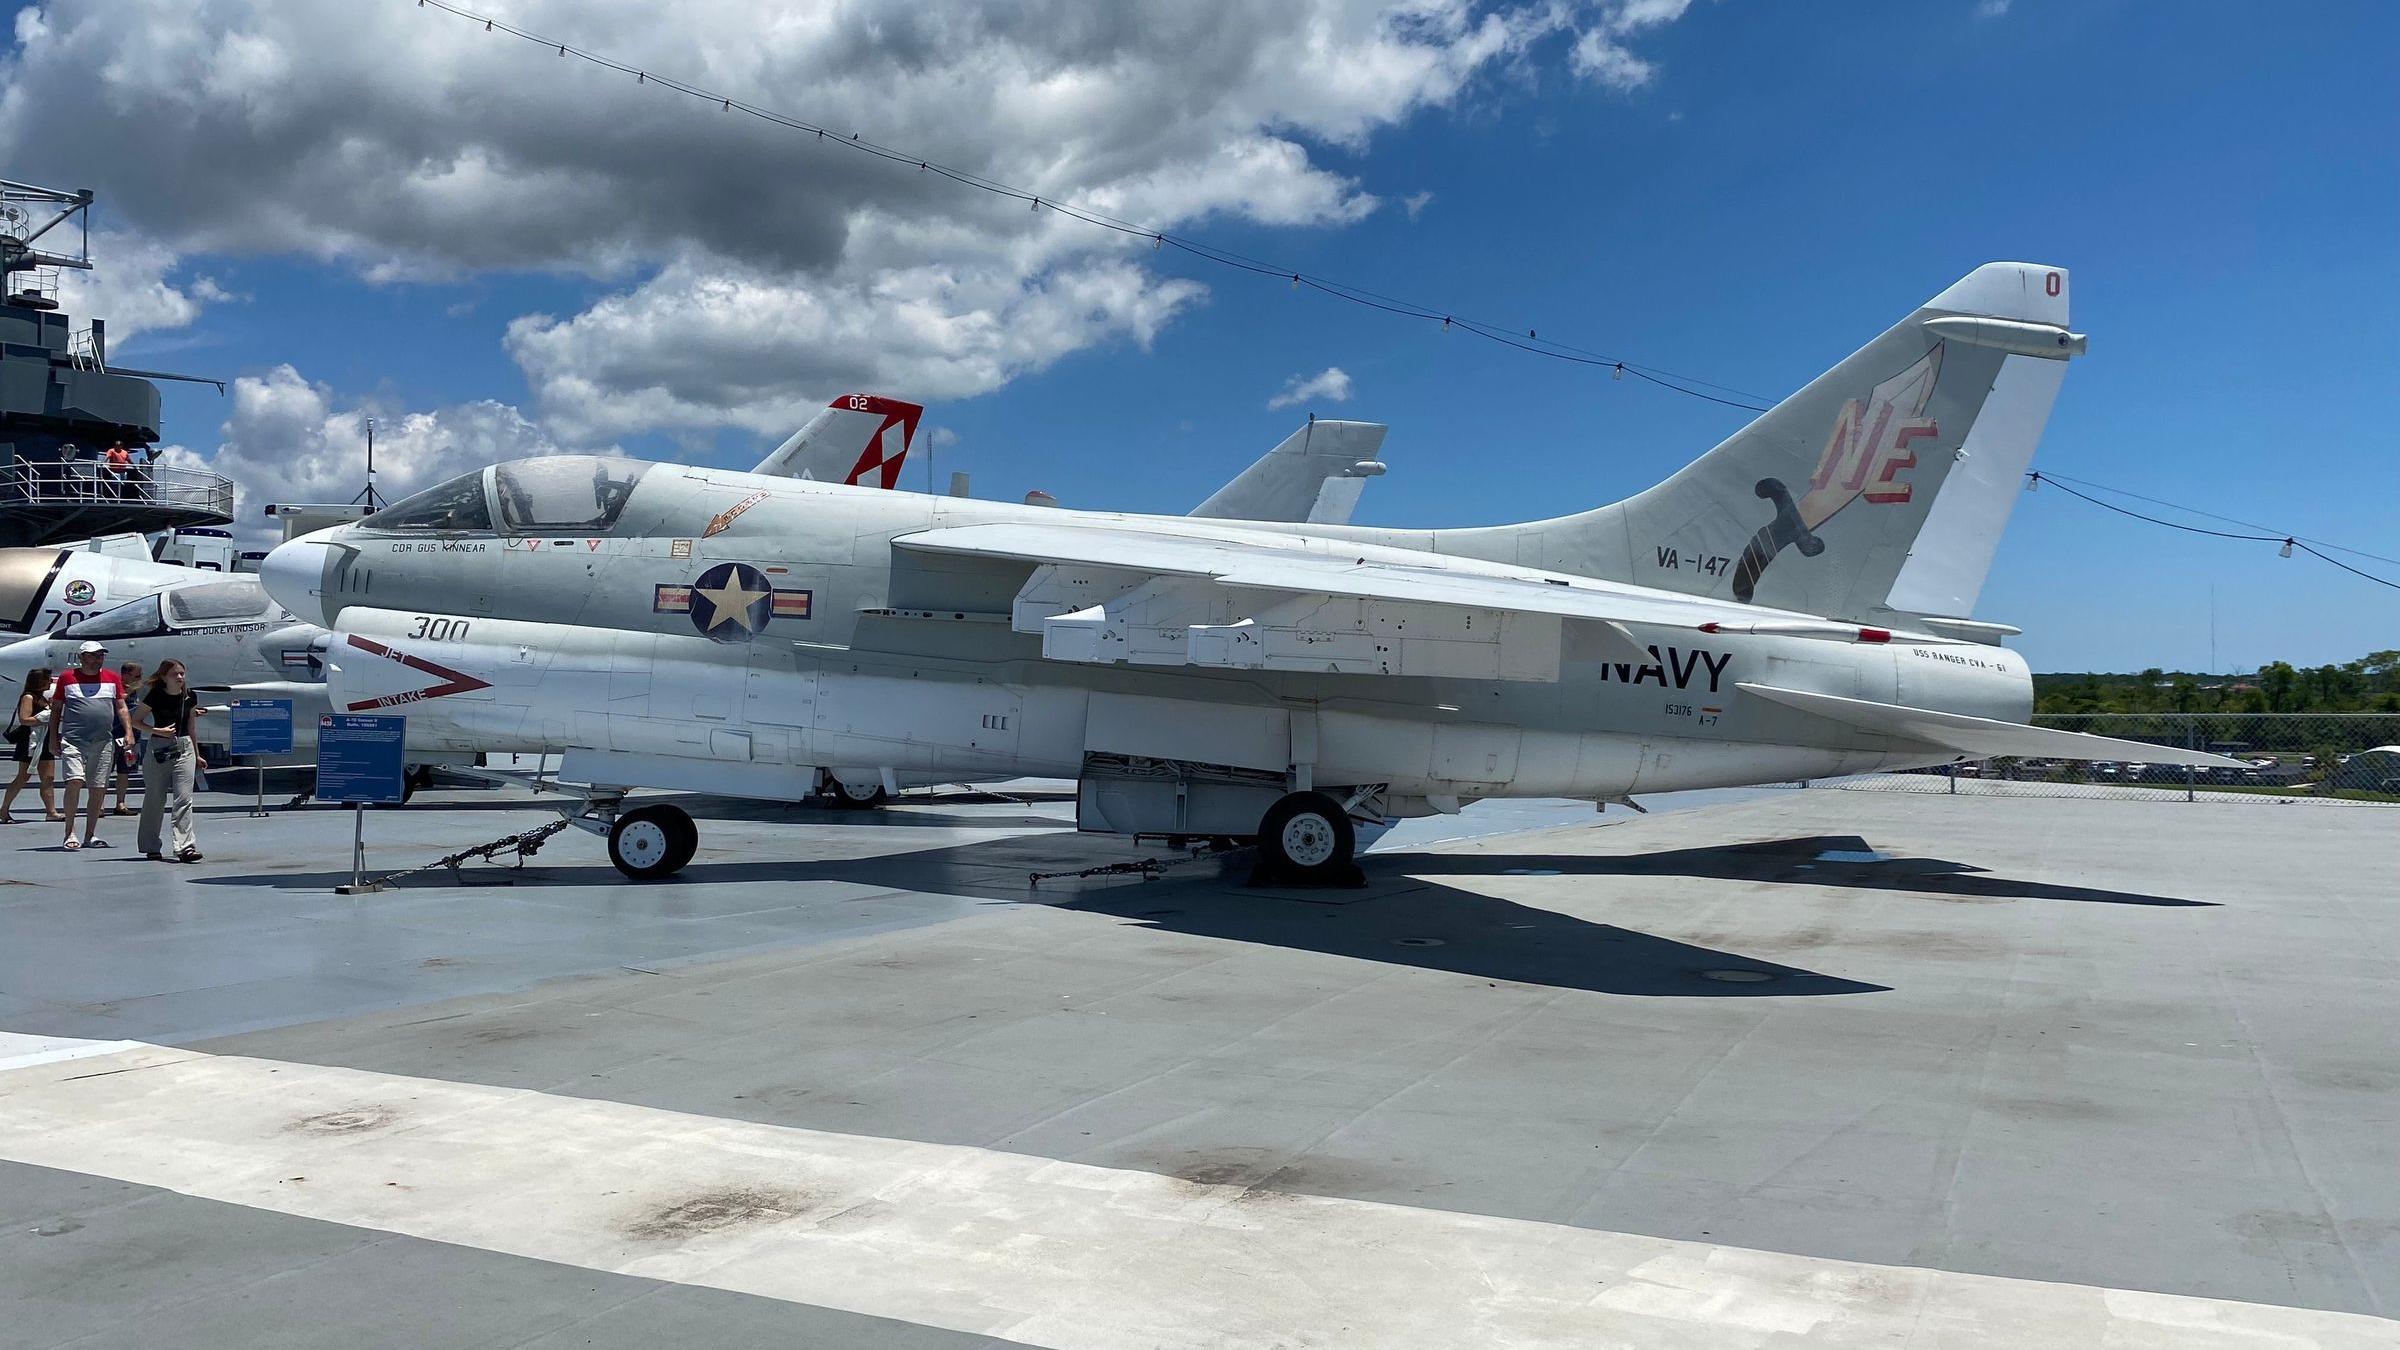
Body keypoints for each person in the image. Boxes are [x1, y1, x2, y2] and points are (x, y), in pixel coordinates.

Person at [45, 640, 131, 851]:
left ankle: (90, 834)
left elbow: (121, 707)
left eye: (100, 654)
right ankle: (69, 831)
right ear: (81, 657)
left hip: (103, 741)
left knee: (98, 788)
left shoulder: (112, 678)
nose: (97, 658)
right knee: (74, 781)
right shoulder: (67, 678)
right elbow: (56, 710)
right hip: (73, 740)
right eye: (93, 655)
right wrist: (53, 738)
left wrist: (128, 732)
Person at [133, 659, 205, 863]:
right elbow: (135, 721)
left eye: (182, 673)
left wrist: (197, 754)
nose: (180, 677)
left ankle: (185, 847)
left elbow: (191, 726)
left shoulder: (189, 696)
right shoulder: (155, 695)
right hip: (159, 747)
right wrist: (156, 731)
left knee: (184, 798)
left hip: (184, 748)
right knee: (155, 798)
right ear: (164, 676)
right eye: (175, 674)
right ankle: (150, 845)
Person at [2, 666, 61, 825]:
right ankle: (4, 809)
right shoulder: (28, 697)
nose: (50, 682)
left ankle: (51, 811)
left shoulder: (42, 697)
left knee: (48, 777)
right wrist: (43, 716)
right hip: (31, 741)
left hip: (45, 738)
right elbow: (24, 719)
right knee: (23, 777)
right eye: (48, 679)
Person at [113, 661, 144, 815]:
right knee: (105, 771)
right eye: (136, 676)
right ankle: (99, 804)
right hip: (114, 733)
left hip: (131, 735)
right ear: (125, 675)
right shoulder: (117, 686)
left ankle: (120, 802)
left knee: (124, 770)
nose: (139, 679)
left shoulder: (135, 690)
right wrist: (131, 689)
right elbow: (119, 699)